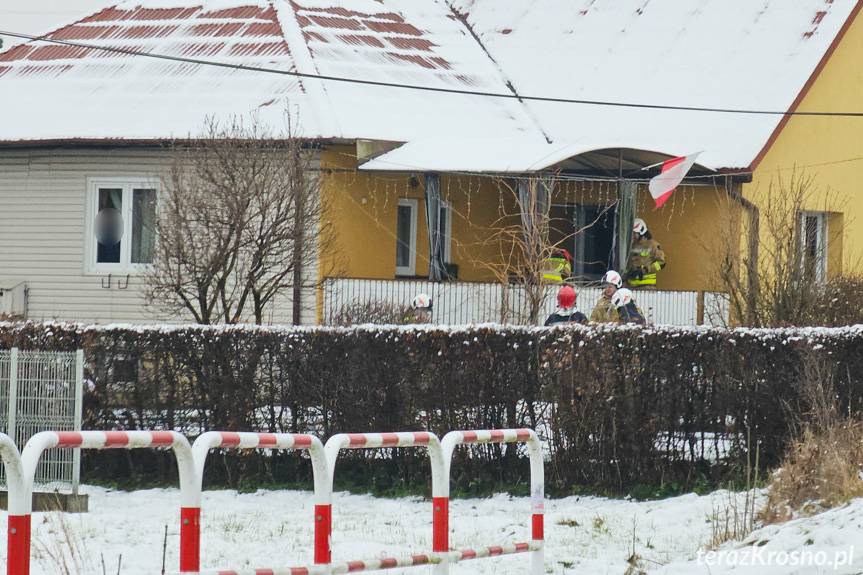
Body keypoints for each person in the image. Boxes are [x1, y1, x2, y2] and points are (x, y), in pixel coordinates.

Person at [625, 218, 666, 289]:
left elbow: (661, 263)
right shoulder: (631, 246)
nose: (632, 235)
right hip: (631, 287)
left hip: (647, 287)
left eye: (634, 233)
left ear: (641, 232)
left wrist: (646, 269)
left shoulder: (653, 245)